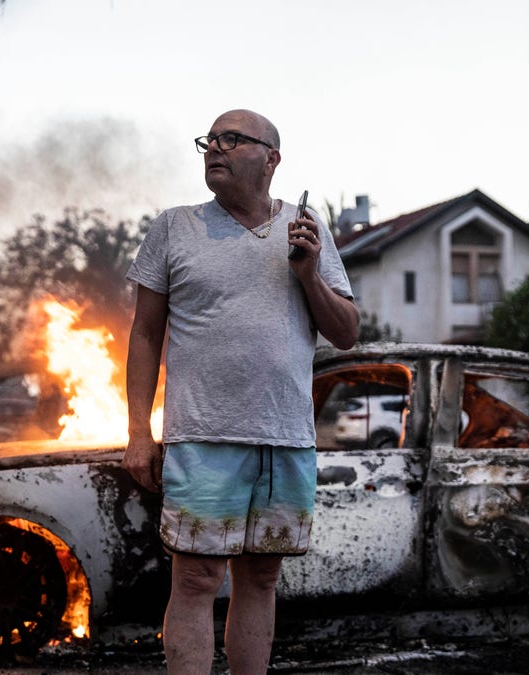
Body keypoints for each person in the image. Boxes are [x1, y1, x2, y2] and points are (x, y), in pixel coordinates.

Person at [123, 109, 359, 674]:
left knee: (262, 576)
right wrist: (138, 432)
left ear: (272, 158)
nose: (214, 149)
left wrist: (308, 273)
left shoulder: (308, 229)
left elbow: (347, 333)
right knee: (198, 577)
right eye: (210, 140)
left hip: (284, 437)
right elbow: (145, 335)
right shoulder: (175, 226)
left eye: (232, 140)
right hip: (202, 435)